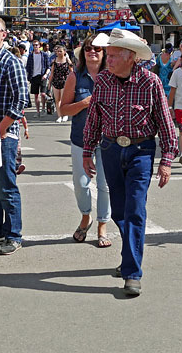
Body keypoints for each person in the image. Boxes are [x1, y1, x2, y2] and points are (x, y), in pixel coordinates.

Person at [83, 29, 177, 296]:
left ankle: (132, 272)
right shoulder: (102, 81)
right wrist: (87, 150)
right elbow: (94, 119)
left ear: (130, 57)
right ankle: (129, 256)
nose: (107, 60)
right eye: (108, 55)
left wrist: (167, 160)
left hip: (141, 151)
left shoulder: (151, 82)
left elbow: (165, 122)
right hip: (111, 149)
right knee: (119, 212)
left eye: (112, 55)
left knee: (135, 209)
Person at [59, 34, 111, 247]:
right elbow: (63, 109)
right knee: (81, 184)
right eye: (89, 49)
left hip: (108, 139)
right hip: (81, 138)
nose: (92, 52)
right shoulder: (75, 76)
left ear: (104, 53)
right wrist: (84, 103)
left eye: (97, 49)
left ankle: (102, 225)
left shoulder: (112, 75)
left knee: (105, 185)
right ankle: (85, 216)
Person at [0, 16, 29, 255]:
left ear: (4, 34)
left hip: (4, 135)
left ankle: (13, 235)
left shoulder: (11, 61)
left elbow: (22, 99)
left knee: (6, 187)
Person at [26, 39, 51, 117]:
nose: (35, 47)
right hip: (34, 77)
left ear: (39, 46)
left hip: (42, 76)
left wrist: (46, 75)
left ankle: (43, 108)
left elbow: (48, 66)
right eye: (34, 45)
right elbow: (28, 67)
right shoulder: (30, 56)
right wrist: (28, 77)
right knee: (36, 95)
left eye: (36, 45)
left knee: (43, 94)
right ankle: (37, 111)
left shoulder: (44, 55)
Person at [48, 44, 73, 123]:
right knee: (57, 100)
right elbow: (52, 73)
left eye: (60, 51)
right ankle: (59, 116)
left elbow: (72, 71)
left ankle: (65, 114)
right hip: (56, 81)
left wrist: (73, 81)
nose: (59, 53)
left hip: (65, 81)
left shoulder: (67, 60)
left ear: (64, 52)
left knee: (63, 99)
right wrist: (49, 83)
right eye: (57, 51)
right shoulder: (54, 61)